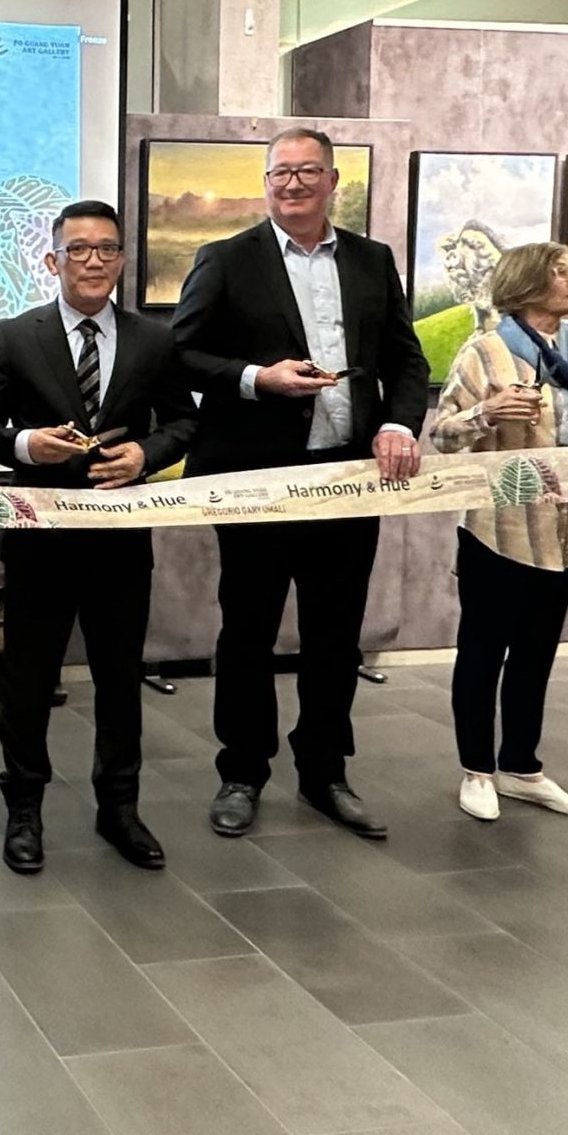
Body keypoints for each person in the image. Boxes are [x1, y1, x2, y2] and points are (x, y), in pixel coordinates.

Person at [171, 129, 430, 840]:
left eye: (307, 171)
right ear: (265, 183)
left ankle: (325, 772)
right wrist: (259, 379)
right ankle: (241, 772)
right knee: (248, 631)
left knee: (335, 634)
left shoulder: (372, 260)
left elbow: (406, 360)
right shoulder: (225, 259)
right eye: (280, 172)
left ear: (332, 181)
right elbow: (182, 354)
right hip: (257, 478)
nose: (292, 183)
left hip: (348, 477)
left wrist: (399, 423)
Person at [0, 200, 195, 872]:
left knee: (120, 680)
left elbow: (184, 422)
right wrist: (28, 445)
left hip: (120, 543)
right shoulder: (16, 335)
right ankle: (24, 810)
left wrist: (145, 455)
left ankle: (119, 808)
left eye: (106, 249)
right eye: (79, 249)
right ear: (53, 260)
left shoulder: (154, 339)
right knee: (29, 680)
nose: (93, 261)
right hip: (40, 542)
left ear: (121, 259)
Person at [426, 243, 568, 823]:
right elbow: (442, 436)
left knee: (537, 652)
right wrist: (485, 415)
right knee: (483, 651)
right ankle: (477, 770)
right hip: (500, 528)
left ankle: (521, 767)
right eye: (562, 271)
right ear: (528, 282)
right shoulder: (486, 351)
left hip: (566, 526)